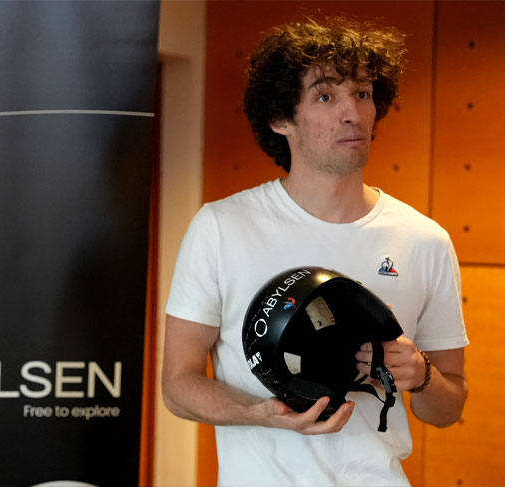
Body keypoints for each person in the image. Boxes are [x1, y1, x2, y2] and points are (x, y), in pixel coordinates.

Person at [162, 16, 469, 486]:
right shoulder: (221, 227)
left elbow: (447, 409)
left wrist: (422, 375)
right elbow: (178, 386)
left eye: (363, 94)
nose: (353, 113)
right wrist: (262, 413)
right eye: (326, 97)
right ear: (280, 119)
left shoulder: (424, 239)